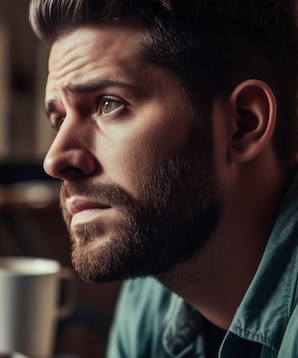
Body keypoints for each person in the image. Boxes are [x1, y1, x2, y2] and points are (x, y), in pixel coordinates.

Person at [28, 0, 298, 356]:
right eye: (59, 119)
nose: (55, 160)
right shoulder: (154, 283)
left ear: (242, 125)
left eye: (108, 103)